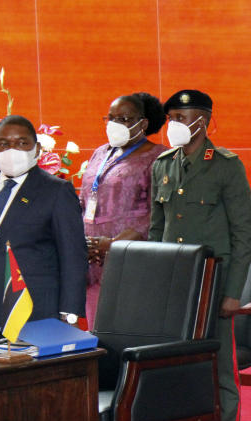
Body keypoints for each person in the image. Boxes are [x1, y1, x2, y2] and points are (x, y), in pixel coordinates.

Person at [151, 89, 251, 421]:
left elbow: (244, 233)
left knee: (219, 371)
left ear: (205, 121)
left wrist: (234, 292)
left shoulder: (226, 166)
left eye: (185, 116)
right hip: (178, 284)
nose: (176, 124)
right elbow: (156, 231)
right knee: (184, 369)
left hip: (215, 284)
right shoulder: (163, 165)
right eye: (172, 117)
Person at [0, 114, 86, 338]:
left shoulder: (56, 191)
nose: (12, 150)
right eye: (3, 144)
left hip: (35, 315)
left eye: (21, 143)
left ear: (36, 149)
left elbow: (73, 256)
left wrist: (70, 315)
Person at [80, 92, 167, 327]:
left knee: (124, 330)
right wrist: (83, 243)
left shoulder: (158, 156)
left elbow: (157, 211)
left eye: (124, 119)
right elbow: (85, 199)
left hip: (130, 257)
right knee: (96, 332)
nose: (115, 124)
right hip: (92, 259)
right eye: (111, 118)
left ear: (143, 123)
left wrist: (113, 244)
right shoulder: (100, 152)